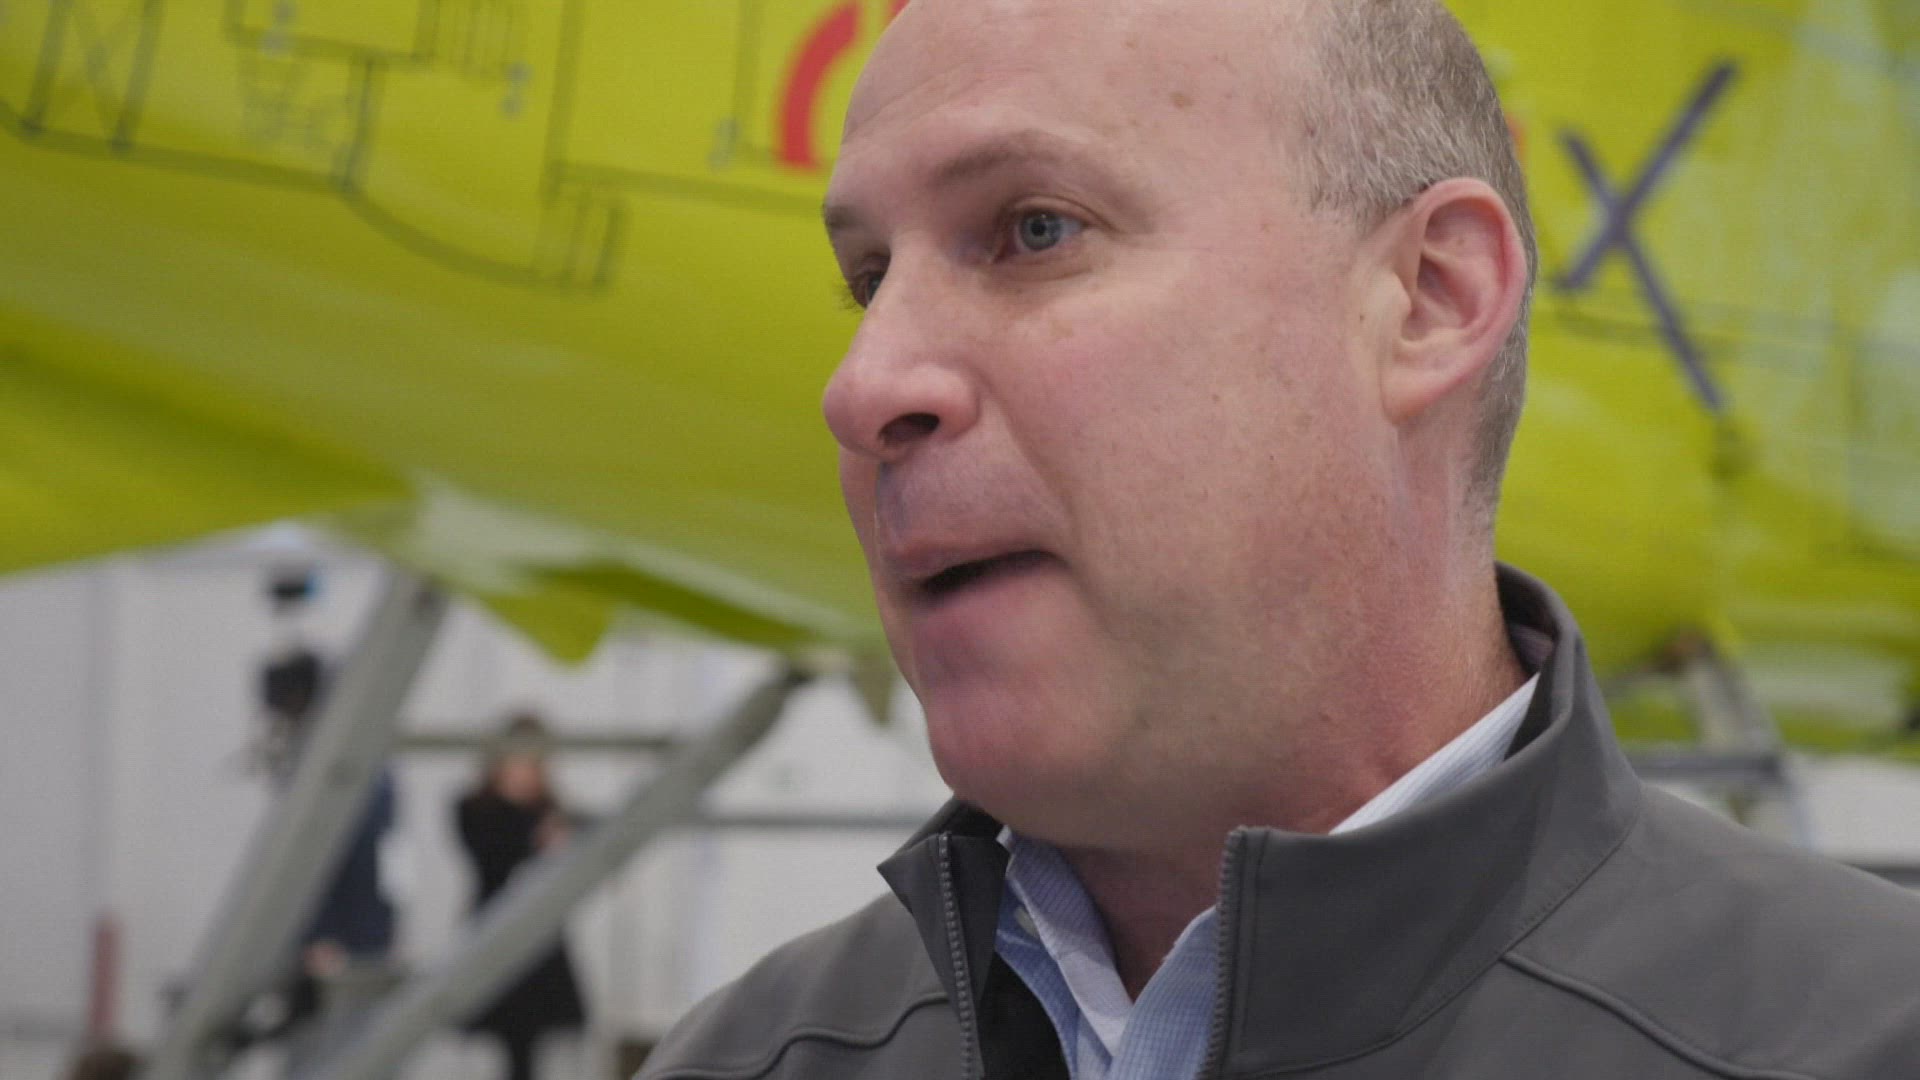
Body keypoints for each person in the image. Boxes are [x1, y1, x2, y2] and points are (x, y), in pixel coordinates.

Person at [640, 1, 1920, 1077]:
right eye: (869, 279)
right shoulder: (746, 1059)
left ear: (1429, 299)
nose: (861, 387)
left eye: (1036, 229)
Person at [456, 713, 588, 1080]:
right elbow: (492, 856)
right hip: (495, 937)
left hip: (540, 944)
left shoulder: (552, 812)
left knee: (536, 1043)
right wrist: (536, 833)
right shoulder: (476, 809)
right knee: (510, 1039)